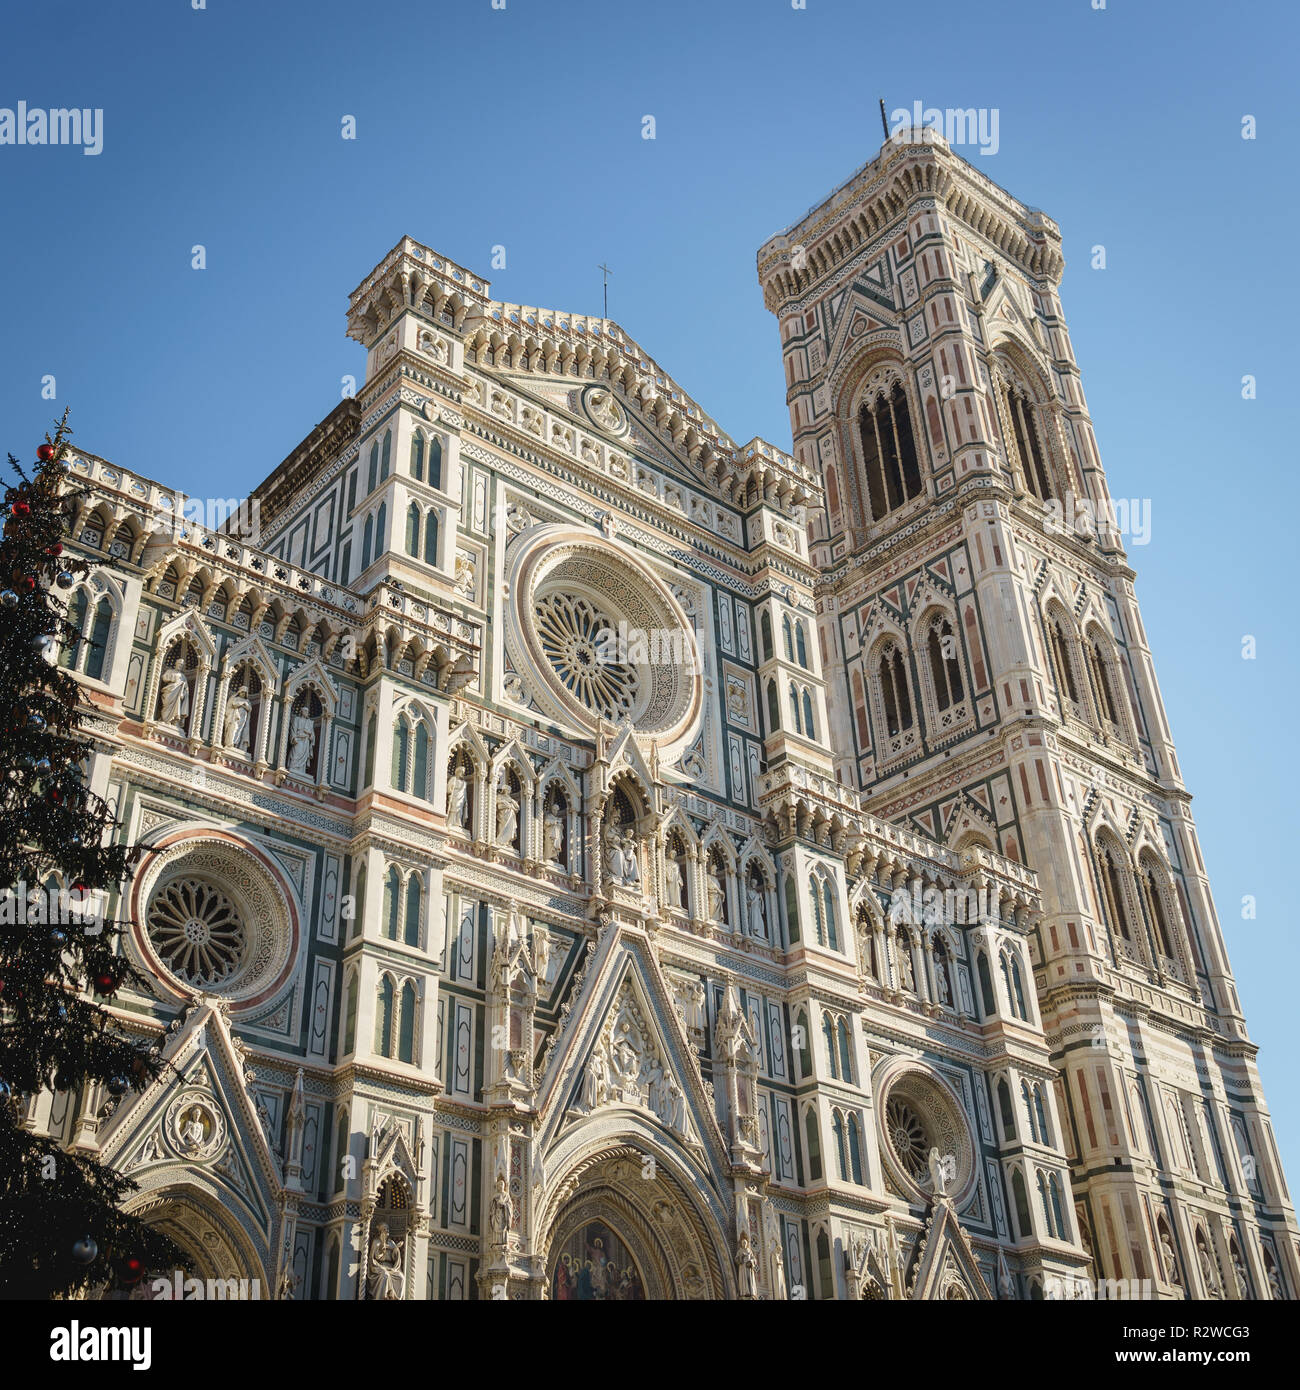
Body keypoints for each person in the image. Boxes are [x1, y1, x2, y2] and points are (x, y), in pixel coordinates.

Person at [159, 660, 189, 726]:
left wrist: (183, 693)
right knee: (166, 705)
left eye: (182, 665)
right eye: (179, 664)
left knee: (176, 707)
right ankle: (164, 719)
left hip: (177, 696)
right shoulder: (170, 671)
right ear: (176, 664)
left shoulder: (183, 676)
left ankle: (173, 721)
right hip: (169, 691)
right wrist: (171, 678)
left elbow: (186, 689)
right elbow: (164, 678)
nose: (180, 666)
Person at [223, 685, 252, 750]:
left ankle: (237, 745)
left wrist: (243, 705)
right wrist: (242, 704)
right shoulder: (235, 698)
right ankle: (231, 743)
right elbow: (234, 704)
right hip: (235, 717)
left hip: (243, 719)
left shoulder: (247, 701)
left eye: (244, 693)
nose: (243, 693)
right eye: (242, 692)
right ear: (239, 692)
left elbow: (249, 709)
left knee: (240, 731)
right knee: (234, 729)